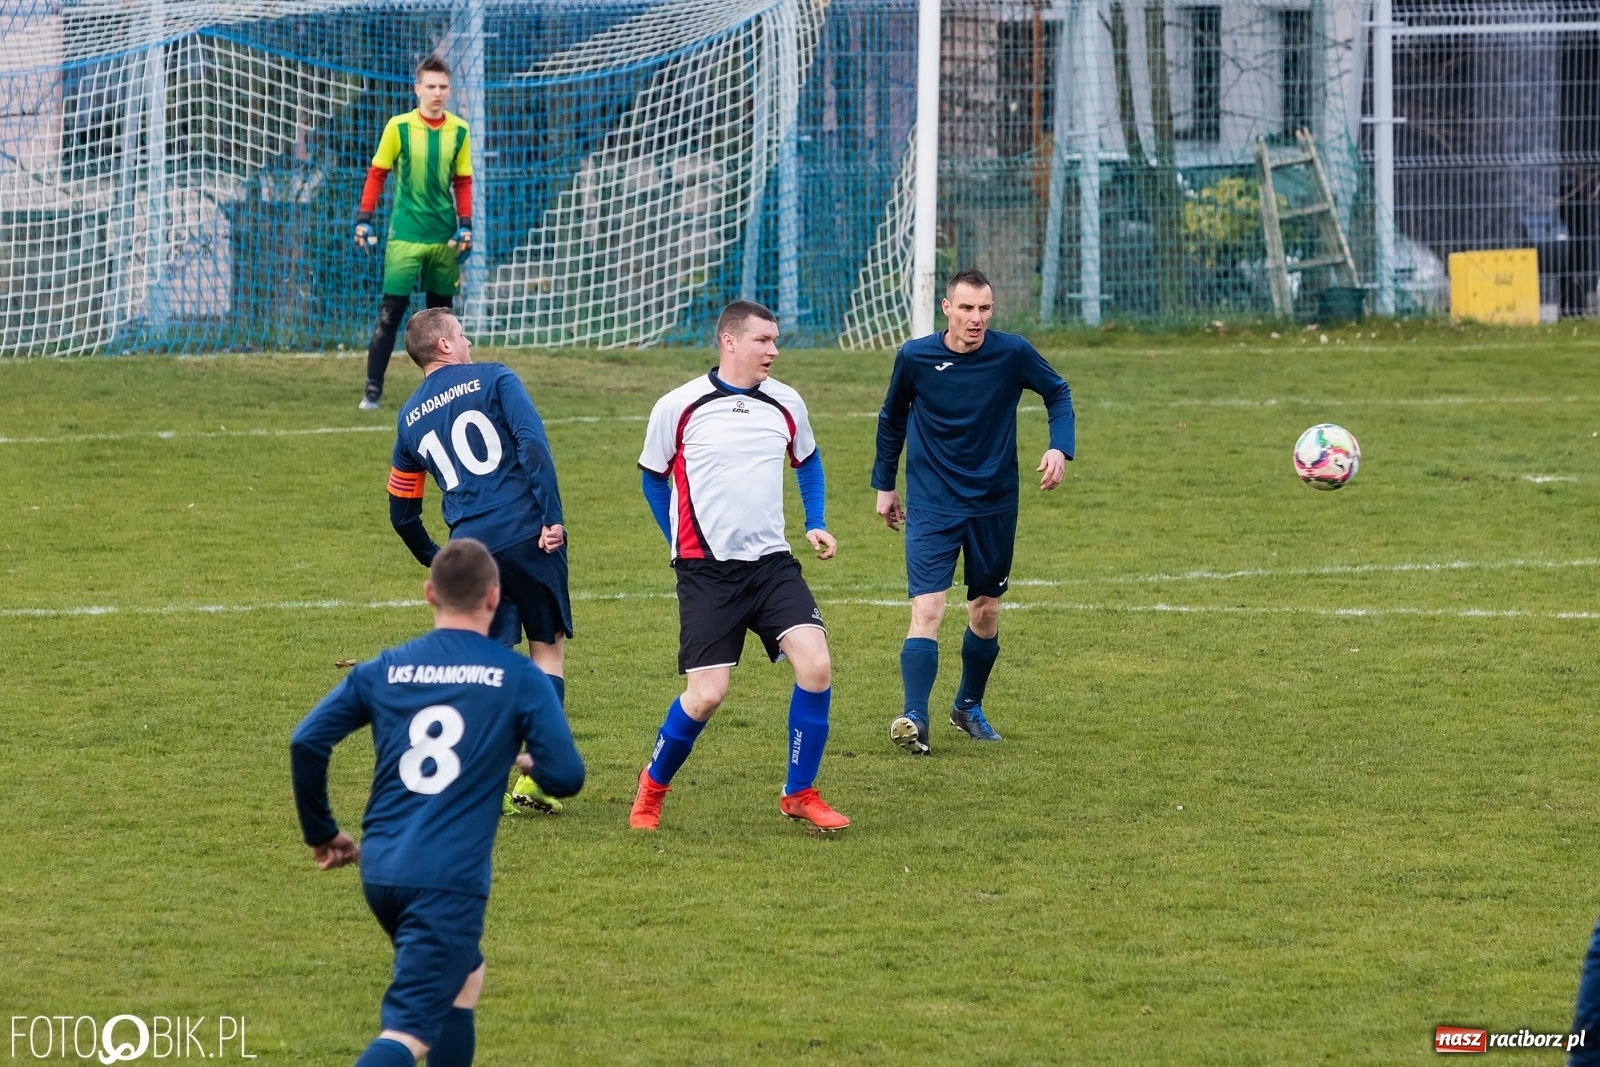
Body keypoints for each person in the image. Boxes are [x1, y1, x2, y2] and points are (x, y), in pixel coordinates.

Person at [289, 538, 584, 1067]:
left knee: (464, 978)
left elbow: (307, 741)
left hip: (381, 868)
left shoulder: (385, 668)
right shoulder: (517, 676)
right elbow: (565, 775)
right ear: (495, 599)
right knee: (408, 1033)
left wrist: (321, 832)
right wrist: (521, 762)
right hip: (445, 881)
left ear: (429, 594)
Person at [628, 301, 848, 833]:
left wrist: (814, 519)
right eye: (762, 340)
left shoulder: (786, 402)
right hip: (705, 573)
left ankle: (799, 792)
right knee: (706, 695)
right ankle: (652, 788)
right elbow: (652, 476)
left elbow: (809, 457)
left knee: (816, 666)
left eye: (775, 341)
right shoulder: (679, 405)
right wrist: (675, 539)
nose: (773, 350)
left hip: (772, 566)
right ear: (730, 341)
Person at [871, 268, 1075, 755]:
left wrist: (1059, 448)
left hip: (993, 502)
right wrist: (884, 485)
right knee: (929, 607)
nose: (976, 318)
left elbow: (1058, 393)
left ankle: (967, 706)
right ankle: (915, 717)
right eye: (966, 308)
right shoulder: (916, 357)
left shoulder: (1012, 353)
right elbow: (892, 418)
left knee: (985, 611)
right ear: (947, 309)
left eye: (984, 309)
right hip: (933, 501)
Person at [386, 307, 570, 814]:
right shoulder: (494, 377)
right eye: (462, 335)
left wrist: (439, 559)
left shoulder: (408, 419)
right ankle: (537, 782)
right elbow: (532, 446)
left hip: (470, 549)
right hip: (528, 536)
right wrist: (551, 517)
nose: (468, 343)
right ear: (444, 346)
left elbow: (402, 515)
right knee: (546, 650)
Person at [354, 56, 474, 411]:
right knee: (391, 313)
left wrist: (465, 224)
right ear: (417, 88)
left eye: (443, 87)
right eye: (431, 86)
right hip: (405, 236)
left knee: (444, 321)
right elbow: (377, 173)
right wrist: (364, 218)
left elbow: (463, 181)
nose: (437, 93)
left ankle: (450, 391)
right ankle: (372, 391)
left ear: (449, 90)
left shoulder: (460, 130)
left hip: (443, 237)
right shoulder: (399, 126)